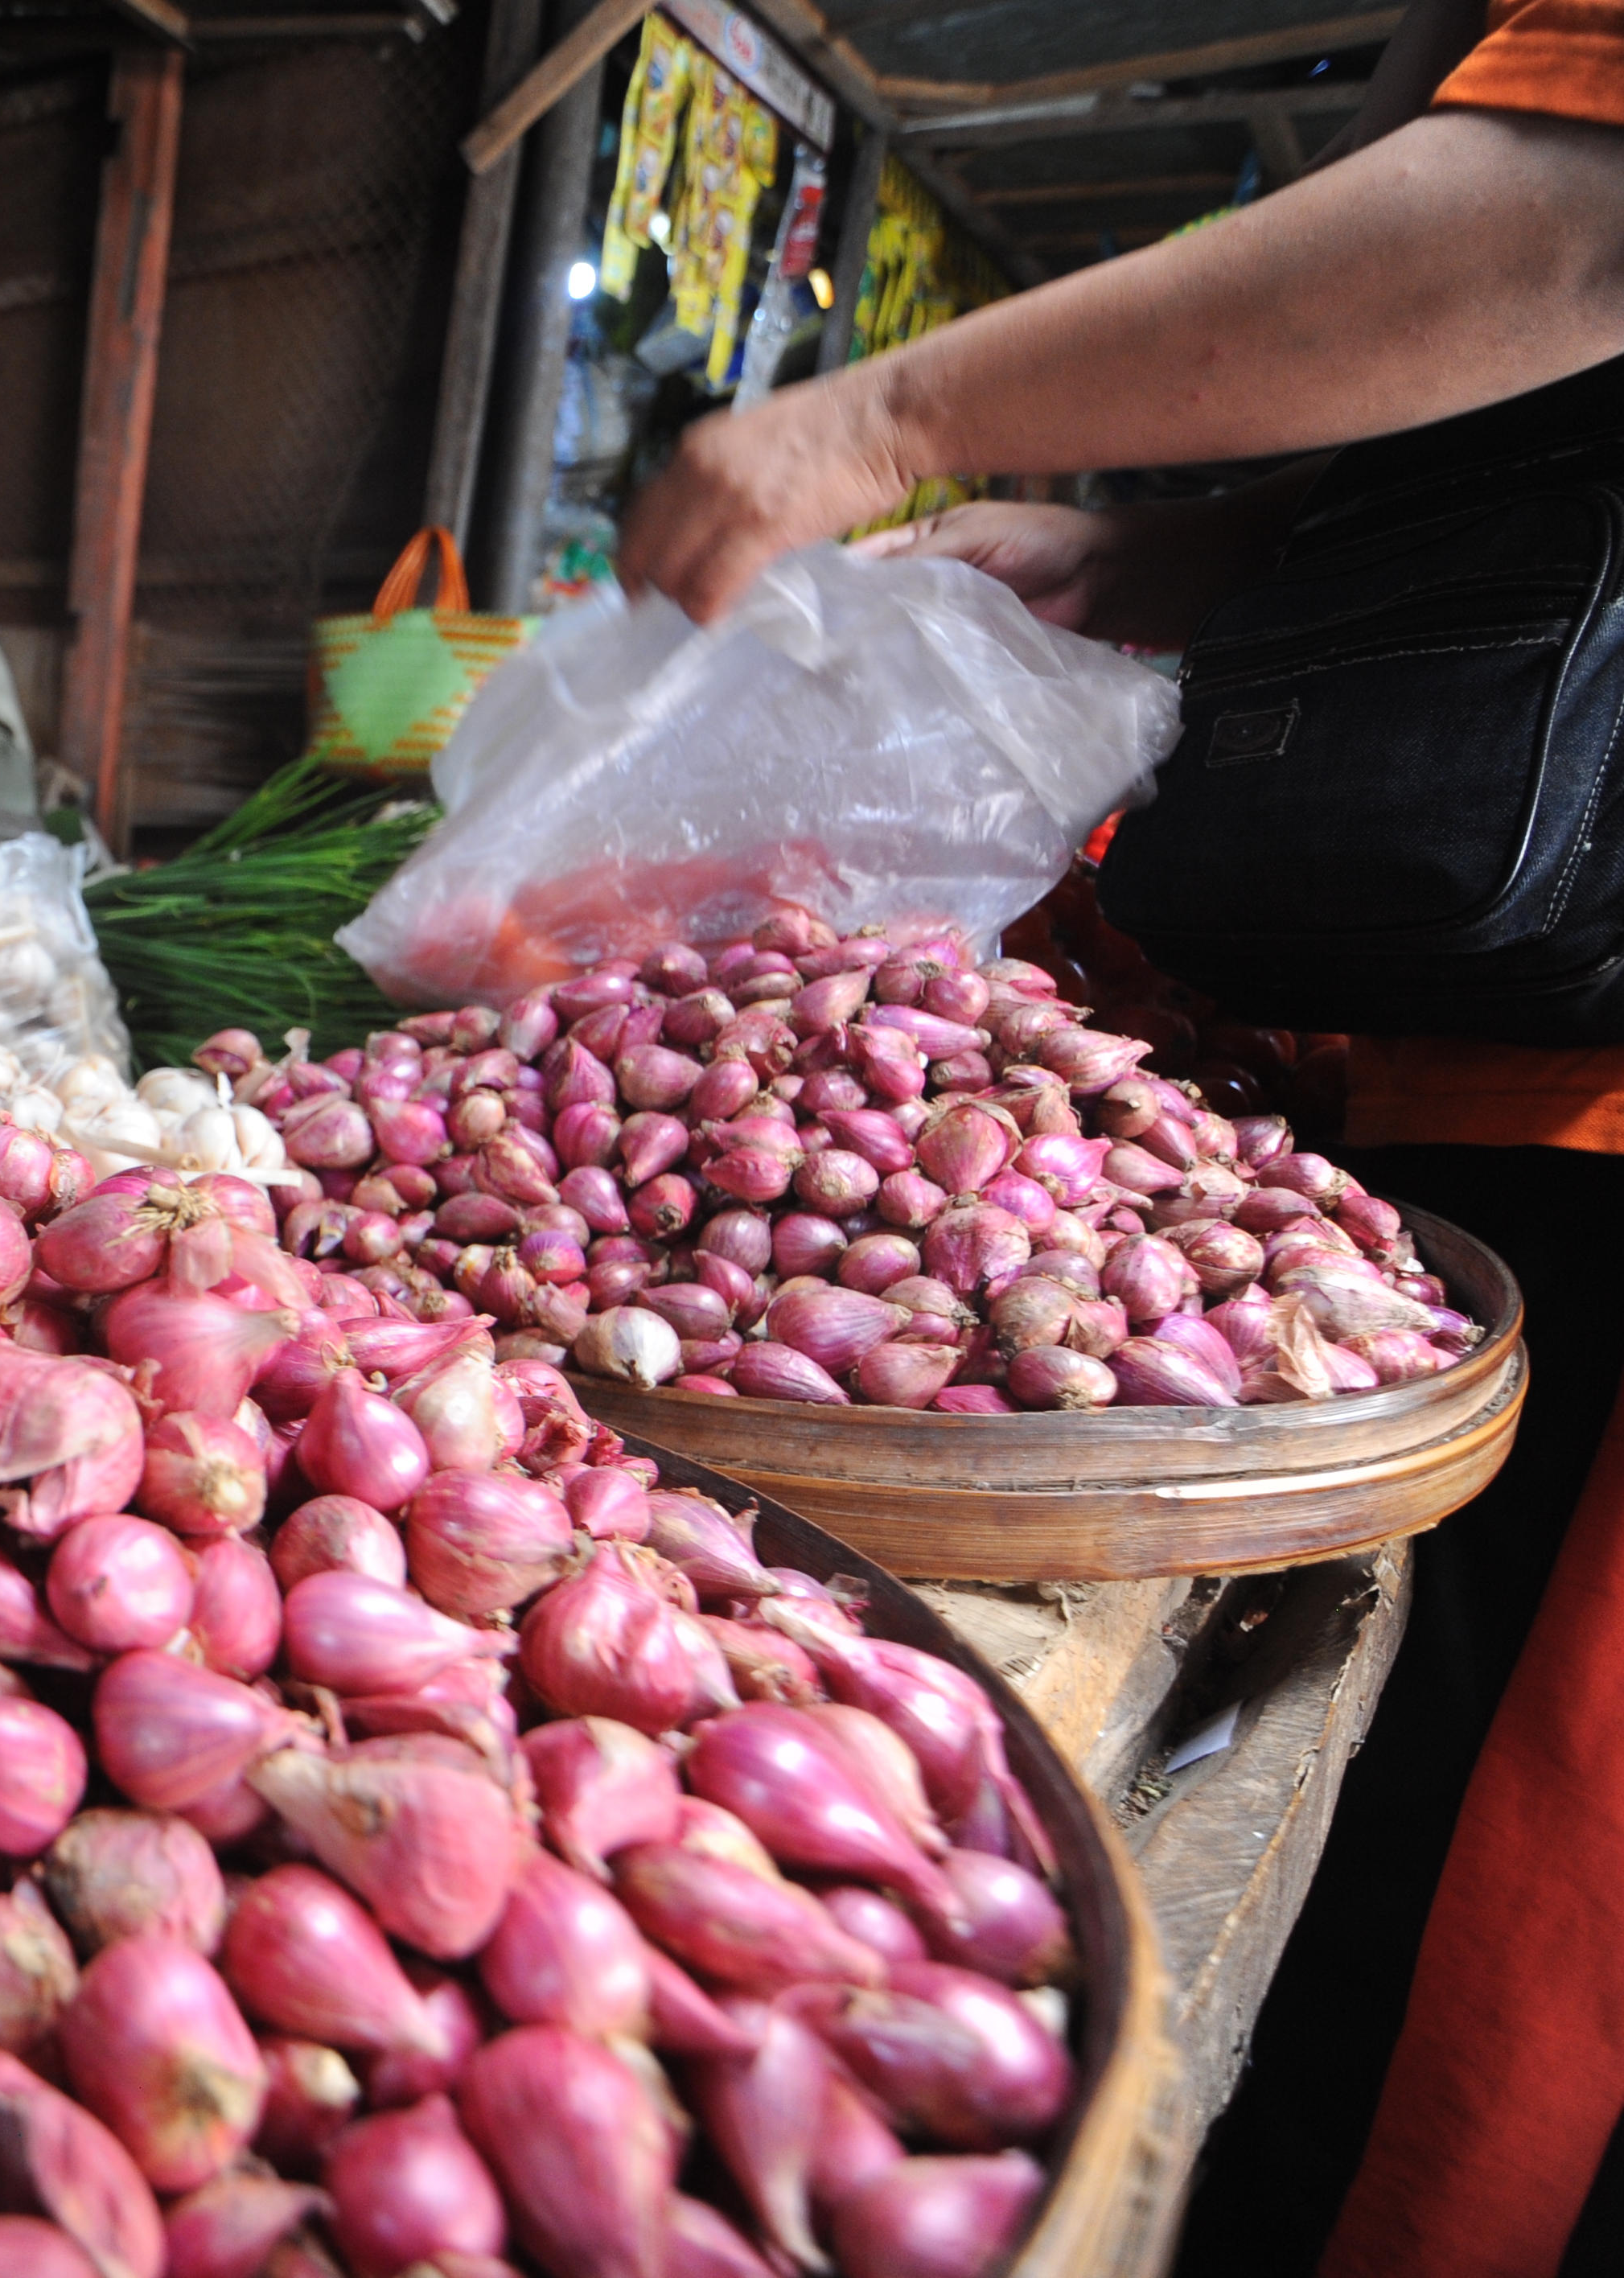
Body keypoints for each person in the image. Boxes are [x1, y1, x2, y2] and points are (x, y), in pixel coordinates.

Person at [614, 10, 1624, 2272]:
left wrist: (880, 409)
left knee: (1477, 1975)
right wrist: (1131, 556)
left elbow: (1575, 238)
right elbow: (1523, 427)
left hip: (1603, 1112)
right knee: (1372, 1917)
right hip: (1497, 1066)